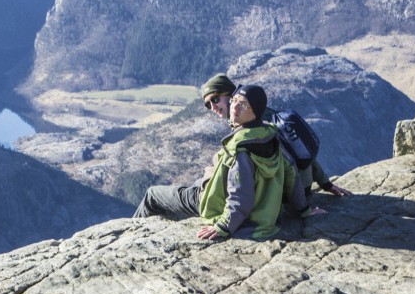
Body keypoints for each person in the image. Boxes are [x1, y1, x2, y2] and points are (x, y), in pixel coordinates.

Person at [134, 84, 317, 240]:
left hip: (214, 202)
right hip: (260, 208)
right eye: (235, 101)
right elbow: (292, 174)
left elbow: (240, 196)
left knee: (152, 195)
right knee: (190, 185)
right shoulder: (270, 134)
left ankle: (132, 234)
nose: (235, 108)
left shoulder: (240, 149)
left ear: (256, 112)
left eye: (243, 105)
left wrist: (223, 227)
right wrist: (304, 210)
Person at [199, 73, 352, 198]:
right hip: (297, 188)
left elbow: (290, 159)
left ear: (230, 94)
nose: (213, 107)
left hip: (287, 194)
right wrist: (326, 184)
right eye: (208, 104)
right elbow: (299, 147)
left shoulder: (256, 121)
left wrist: (303, 208)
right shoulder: (257, 111)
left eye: (215, 99)